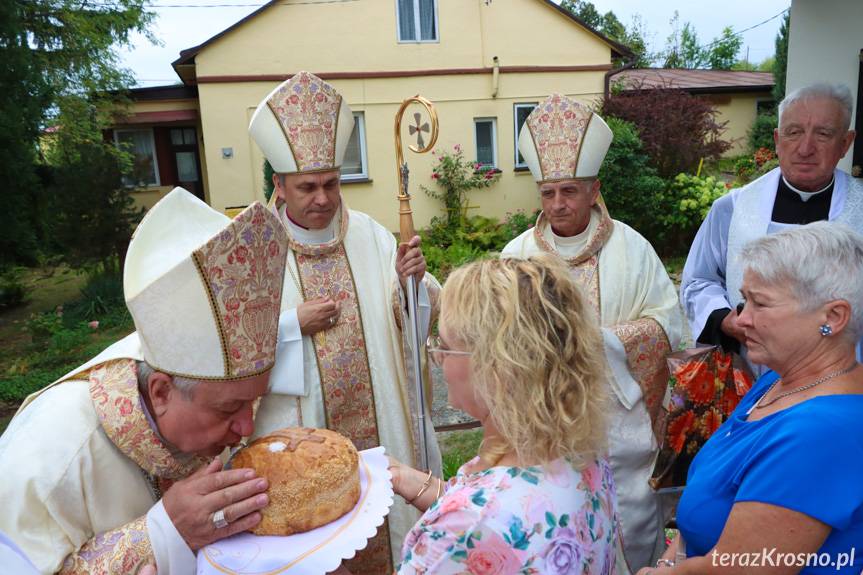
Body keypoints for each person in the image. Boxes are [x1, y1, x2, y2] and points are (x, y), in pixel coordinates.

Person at [0, 188, 289, 574]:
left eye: (252, 401)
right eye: (229, 409)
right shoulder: (48, 460)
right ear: (161, 391)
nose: (247, 428)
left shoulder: (193, 377)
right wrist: (163, 533)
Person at [247, 70, 442, 572]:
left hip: (380, 427)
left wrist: (411, 285)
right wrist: (291, 325)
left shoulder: (372, 236)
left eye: (331, 183)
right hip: (302, 439)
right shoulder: (254, 252)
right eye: (307, 187)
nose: (323, 198)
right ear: (279, 185)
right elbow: (231, 348)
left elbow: (414, 316)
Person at [502, 93, 684, 570]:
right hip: (546, 424)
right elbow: (497, 337)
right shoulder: (517, 255)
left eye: (569, 191)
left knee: (629, 528)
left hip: (620, 426)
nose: (557, 204)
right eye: (548, 193)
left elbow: (668, 325)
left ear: (594, 189)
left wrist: (603, 342)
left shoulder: (633, 248)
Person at [640, 222, 863, 575]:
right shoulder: (780, 380)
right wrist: (671, 560)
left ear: (833, 317)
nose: (741, 319)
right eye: (745, 301)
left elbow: (737, 569)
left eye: (760, 303)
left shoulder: (823, 432)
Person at [382, 256, 619, 574]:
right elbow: (508, 507)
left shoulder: (459, 531)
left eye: (445, 346)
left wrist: (322, 556)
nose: (438, 358)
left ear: (495, 367)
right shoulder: (582, 455)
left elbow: (479, 521)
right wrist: (406, 479)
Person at [681, 83, 862, 372]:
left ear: (845, 143)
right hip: (752, 372)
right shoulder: (733, 208)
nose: (805, 148)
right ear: (777, 140)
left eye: (823, 134)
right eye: (793, 132)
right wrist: (724, 318)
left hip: (843, 376)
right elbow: (698, 281)